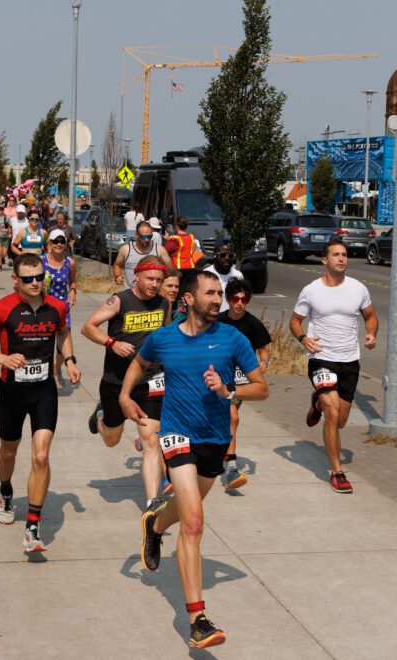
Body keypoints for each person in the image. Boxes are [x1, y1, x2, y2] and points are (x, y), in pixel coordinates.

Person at [121, 270, 268, 650]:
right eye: (210, 293)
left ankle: (153, 526)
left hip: (214, 439)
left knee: (185, 512)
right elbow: (139, 363)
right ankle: (197, 619)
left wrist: (228, 389)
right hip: (175, 434)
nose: (218, 299)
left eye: (219, 292)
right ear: (187, 299)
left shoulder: (232, 338)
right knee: (193, 523)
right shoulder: (164, 338)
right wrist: (125, 397)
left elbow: (262, 388)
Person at [0, 253, 81, 553]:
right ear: (15, 279)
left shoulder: (56, 307)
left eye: (39, 278)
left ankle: (33, 526)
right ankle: (5, 491)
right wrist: (2, 358)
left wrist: (69, 360)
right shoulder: (2, 309)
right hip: (11, 392)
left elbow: (63, 334)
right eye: (28, 279)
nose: (35, 283)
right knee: (9, 450)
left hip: (43, 391)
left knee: (41, 457)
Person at [82, 256, 172, 512]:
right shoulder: (120, 300)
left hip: (150, 381)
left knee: (151, 440)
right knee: (111, 439)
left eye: (159, 280)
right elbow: (88, 328)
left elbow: (164, 336)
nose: (155, 284)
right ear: (138, 277)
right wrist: (111, 343)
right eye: (150, 279)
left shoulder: (164, 303)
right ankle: (100, 415)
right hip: (115, 380)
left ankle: (153, 502)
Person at [289, 238, 378, 494]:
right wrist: (304, 339)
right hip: (321, 358)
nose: (342, 258)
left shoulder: (358, 288)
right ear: (324, 260)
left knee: (339, 420)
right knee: (332, 410)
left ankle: (317, 402)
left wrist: (371, 333)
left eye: (345, 254)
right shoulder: (311, 290)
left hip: (350, 360)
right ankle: (337, 471)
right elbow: (295, 321)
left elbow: (370, 317)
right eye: (336, 254)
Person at [216, 277, 271, 490]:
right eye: (235, 299)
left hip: (238, 380)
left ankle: (231, 468)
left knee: (232, 416)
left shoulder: (252, 323)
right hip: (216, 376)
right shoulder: (218, 321)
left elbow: (264, 350)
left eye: (244, 299)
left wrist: (263, 362)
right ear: (228, 300)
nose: (239, 303)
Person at [41, 229, 77, 389]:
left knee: (63, 344)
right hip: (43, 307)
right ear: (49, 243)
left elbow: (73, 281)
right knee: (45, 343)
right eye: (56, 241)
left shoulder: (70, 262)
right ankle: (47, 373)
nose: (59, 244)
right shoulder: (40, 261)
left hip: (62, 308)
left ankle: (57, 369)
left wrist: (73, 291)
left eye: (62, 241)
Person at [113, 221, 172, 288]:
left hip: (151, 293)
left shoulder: (160, 250)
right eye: (143, 237)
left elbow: (170, 269)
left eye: (149, 237)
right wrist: (118, 275)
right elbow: (117, 265)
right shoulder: (126, 249)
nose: (147, 239)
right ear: (136, 235)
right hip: (130, 292)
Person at [201, 239, 243, 314]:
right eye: (223, 255)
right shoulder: (206, 274)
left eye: (231, 255)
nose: (227, 258)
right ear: (214, 254)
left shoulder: (238, 276)